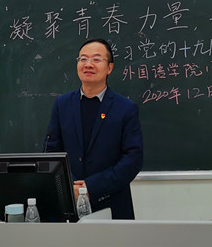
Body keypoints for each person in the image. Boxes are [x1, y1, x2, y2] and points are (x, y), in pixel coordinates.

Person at [44, 38, 143, 220]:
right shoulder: (62, 104)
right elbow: (51, 152)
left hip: (112, 204)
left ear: (109, 68)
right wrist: (70, 186)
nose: (88, 64)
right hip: (69, 203)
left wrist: (91, 187)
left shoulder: (125, 108)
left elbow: (133, 159)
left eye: (96, 59)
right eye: (83, 59)